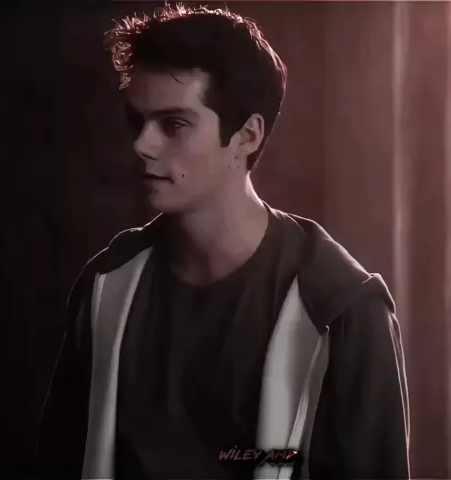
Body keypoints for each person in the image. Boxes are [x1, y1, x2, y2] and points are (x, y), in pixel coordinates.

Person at [37, 4, 410, 480]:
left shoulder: (343, 309)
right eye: (138, 121)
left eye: (174, 124)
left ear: (247, 135)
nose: (142, 145)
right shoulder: (105, 286)